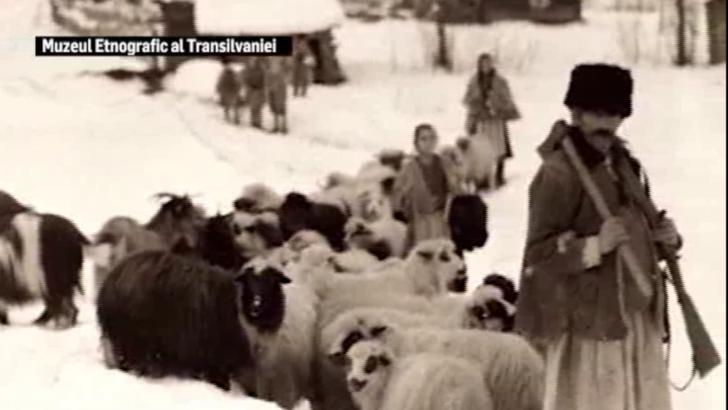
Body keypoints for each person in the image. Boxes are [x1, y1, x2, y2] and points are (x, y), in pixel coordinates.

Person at [515, 64, 681, 410]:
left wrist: (663, 239)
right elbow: (538, 258)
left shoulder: (625, 166)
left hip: (632, 317)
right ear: (575, 113)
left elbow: (634, 234)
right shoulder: (557, 174)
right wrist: (593, 246)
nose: (608, 123)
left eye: (616, 114)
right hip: (588, 328)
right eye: (598, 113)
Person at [392, 124, 462, 250]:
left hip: (441, 220)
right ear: (416, 142)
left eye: (432, 138)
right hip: (419, 223)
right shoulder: (409, 167)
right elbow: (398, 194)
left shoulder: (444, 163)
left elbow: (455, 188)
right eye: (423, 139)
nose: (428, 143)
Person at [462, 53, 520, 188]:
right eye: (483, 64)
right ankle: (481, 177)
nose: (486, 66)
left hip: (496, 120)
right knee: (480, 149)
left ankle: (499, 175)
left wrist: (497, 105)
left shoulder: (500, 81)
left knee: (498, 148)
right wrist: (476, 105)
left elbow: (507, 99)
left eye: (488, 63)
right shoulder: (474, 81)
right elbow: (467, 99)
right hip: (480, 120)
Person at [266, 57, 289, 134]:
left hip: (280, 89)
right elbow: (268, 77)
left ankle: (284, 126)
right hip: (271, 89)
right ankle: (276, 126)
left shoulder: (282, 69)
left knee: (281, 107)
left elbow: (285, 77)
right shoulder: (269, 68)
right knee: (274, 107)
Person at [215, 59, 242, 124]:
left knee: (233, 105)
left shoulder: (232, 73)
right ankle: (229, 117)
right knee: (228, 105)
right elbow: (220, 82)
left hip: (231, 91)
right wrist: (218, 89)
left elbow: (238, 82)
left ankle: (235, 118)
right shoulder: (224, 74)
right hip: (227, 91)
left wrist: (238, 89)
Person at [244, 57, 267, 129]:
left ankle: (258, 122)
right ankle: (253, 122)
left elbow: (265, 82)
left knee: (258, 108)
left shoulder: (262, 71)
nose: (256, 64)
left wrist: (264, 92)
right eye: (255, 62)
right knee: (253, 107)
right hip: (252, 90)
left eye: (257, 62)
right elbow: (247, 80)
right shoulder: (250, 71)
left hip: (259, 90)